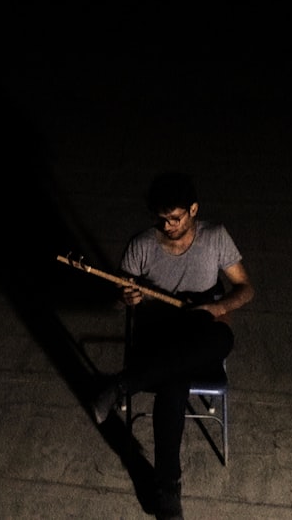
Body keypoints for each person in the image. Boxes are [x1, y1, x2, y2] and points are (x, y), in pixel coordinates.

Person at [91, 171, 254, 519]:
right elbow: (118, 302)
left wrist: (218, 306)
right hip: (158, 334)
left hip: (199, 331)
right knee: (174, 383)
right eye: (161, 219)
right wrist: (126, 297)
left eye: (175, 218)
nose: (167, 226)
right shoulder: (141, 245)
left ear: (194, 209)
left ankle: (122, 384)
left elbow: (245, 288)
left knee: (221, 338)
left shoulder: (215, 237)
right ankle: (168, 489)